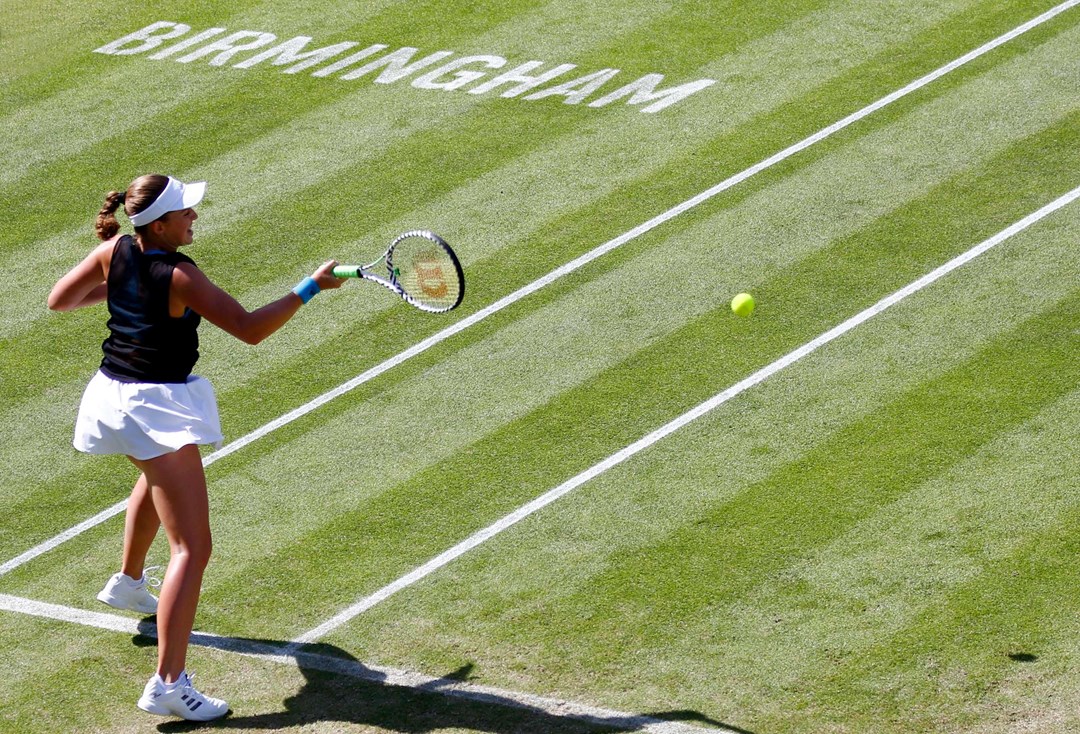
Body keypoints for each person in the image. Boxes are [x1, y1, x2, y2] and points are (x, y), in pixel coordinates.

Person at [48, 174, 343, 721]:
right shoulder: (181, 274)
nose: (194, 217)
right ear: (159, 223)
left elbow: (60, 300)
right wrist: (309, 288)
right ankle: (167, 683)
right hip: (154, 409)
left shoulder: (115, 250)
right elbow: (250, 329)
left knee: (155, 476)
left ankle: (130, 582)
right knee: (193, 549)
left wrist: (123, 289)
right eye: (185, 211)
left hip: (111, 396)